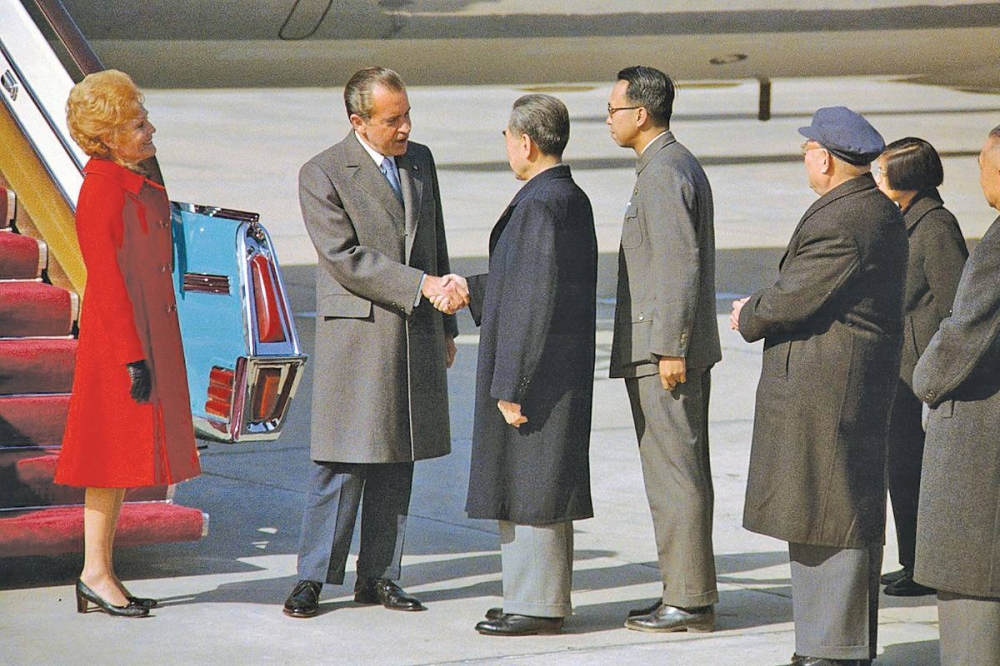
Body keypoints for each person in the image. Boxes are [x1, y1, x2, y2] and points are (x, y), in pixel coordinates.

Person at [282, 66, 467, 618]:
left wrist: (446, 326)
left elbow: (435, 243)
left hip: (414, 329)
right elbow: (344, 257)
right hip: (359, 336)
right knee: (343, 461)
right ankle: (313, 577)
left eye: (407, 115)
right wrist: (422, 286)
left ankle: (380, 574)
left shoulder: (420, 161)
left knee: (397, 455)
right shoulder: (322, 173)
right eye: (393, 120)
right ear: (358, 121)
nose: (405, 127)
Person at [730, 107, 907, 666]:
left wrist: (748, 312)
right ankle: (826, 644)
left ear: (825, 159)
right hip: (833, 387)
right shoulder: (865, 208)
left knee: (830, 513)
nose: (805, 157)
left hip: (831, 391)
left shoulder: (846, 219)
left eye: (809, 149)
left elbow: (794, 296)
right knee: (819, 510)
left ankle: (833, 648)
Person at [446, 94, 597, 636]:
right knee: (535, 484)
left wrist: (511, 384)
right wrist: (473, 289)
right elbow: (533, 279)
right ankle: (530, 596)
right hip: (557, 371)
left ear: (526, 143)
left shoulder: (538, 205)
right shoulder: (567, 196)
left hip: (537, 378)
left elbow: (534, 301)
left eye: (508, 138)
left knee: (533, 486)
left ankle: (537, 606)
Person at [55, 69, 201, 618]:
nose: (150, 130)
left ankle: (99, 571)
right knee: (106, 460)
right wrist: (131, 357)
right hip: (121, 342)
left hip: (143, 333)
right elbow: (107, 280)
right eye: (138, 125)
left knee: (115, 462)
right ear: (109, 137)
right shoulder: (101, 190)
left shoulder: (129, 179)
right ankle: (94, 573)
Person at [605, 65, 721, 633]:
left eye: (613, 110)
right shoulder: (666, 166)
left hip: (664, 355)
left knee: (676, 474)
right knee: (676, 471)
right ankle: (684, 589)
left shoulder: (664, 172)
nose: (608, 120)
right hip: (663, 348)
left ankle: (690, 599)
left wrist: (670, 347)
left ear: (641, 113)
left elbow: (679, 263)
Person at [912, 124, 1000, 666]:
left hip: (983, 437)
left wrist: (925, 381)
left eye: (984, 163)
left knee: (972, 587)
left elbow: (966, 331)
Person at [874, 137, 967, 598]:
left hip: (923, 372)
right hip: (901, 371)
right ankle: (912, 561)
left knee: (917, 472)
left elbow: (957, 306)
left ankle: (925, 568)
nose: (877, 178)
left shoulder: (936, 227)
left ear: (906, 178)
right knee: (902, 470)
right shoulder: (904, 219)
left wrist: (937, 367)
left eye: (883, 171)